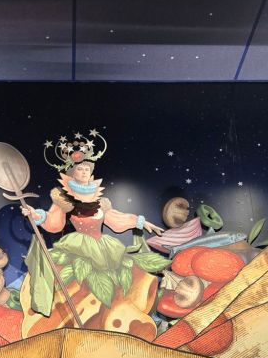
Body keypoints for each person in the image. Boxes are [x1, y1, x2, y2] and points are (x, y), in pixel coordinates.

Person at [19, 130, 166, 319]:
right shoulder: (65, 198)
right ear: (72, 173)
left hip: (104, 247)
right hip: (78, 246)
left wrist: (141, 222)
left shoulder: (99, 200)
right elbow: (54, 221)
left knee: (119, 280)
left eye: (86, 169)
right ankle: (79, 317)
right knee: (76, 283)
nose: (83, 172)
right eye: (79, 169)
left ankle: (111, 315)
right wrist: (35, 214)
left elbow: (115, 219)